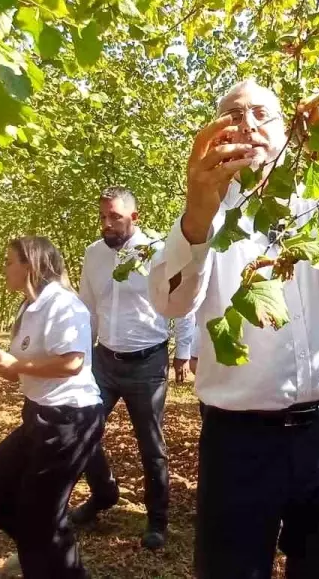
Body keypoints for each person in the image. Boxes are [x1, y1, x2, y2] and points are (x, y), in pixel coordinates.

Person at [148, 79, 319, 578]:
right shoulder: (209, 210)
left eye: (261, 113)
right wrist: (197, 210)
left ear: (288, 126)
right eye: (234, 116)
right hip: (241, 441)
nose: (248, 124)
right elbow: (170, 301)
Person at [0, 237, 104, 579]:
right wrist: (5, 366)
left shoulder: (63, 304)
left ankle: (47, 561)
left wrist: (17, 364)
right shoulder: (28, 307)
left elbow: (72, 362)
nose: (4, 269)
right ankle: (39, 554)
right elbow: (24, 372)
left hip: (69, 419)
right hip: (39, 413)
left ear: (29, 264)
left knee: (41, 514)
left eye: (8, 261)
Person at [69, 187, 194, 550]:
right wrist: (80, 356)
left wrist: (182, 352)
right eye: (103, 217)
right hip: (104, 361)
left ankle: (157, 520)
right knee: (81, 430)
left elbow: (181, 303)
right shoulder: (93, 255)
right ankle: (104, 493)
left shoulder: (158, 251)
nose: (107, 224)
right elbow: (87, 308)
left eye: (116, 218)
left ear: (134, 218)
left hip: (147, 363)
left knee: (151, 446)